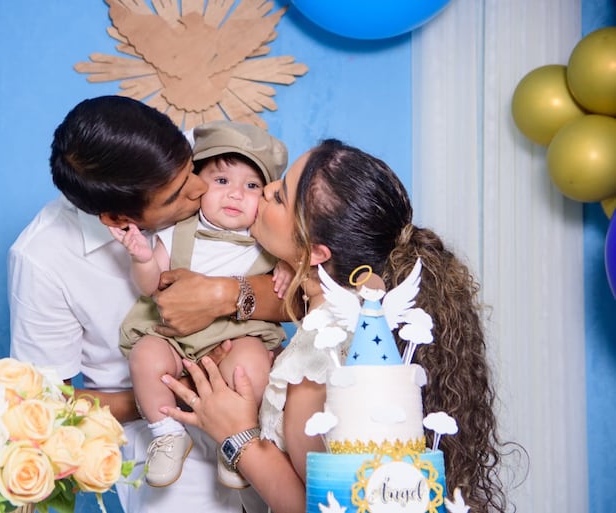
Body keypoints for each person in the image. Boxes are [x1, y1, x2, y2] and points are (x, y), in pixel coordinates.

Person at [160, 139, 516, 513]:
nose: (265, 189)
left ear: (316, 252)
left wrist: (239, 436)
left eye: (280, 196)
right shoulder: (357, 318)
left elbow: (323, 506)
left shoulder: (319, 357)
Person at [8, 95, 286, 513]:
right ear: (121, 221)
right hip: (160, 444)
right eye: (177, 194)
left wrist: (222, 295)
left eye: (190, 166)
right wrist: (185, 391)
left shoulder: (212, 158)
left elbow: (312, 290)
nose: (201, 187)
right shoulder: (42, 258)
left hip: (260, 406)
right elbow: (48, 406)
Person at [112, 121, 293, 488]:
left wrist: (289, 267)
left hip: (238, 336)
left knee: (253, 364)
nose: (235, 194)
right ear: (196, 185)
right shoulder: (177, 231)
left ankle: (241, 438)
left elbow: (297, 287)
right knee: (146, 355)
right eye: (222, 181)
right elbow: (151, 287)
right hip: (174, 340)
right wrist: (144, 259)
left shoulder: (267, 239)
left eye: (252, 186)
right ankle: (166, 433)